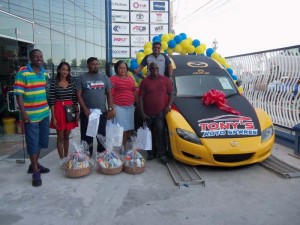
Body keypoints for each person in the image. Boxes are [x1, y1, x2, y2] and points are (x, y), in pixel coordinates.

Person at [13, 49, 50, 187]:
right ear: (30, 58)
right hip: (31, 116)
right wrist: (23, 112)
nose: (39, 59)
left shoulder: (44, 72)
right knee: (33, 142)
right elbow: (19, 95)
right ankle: (35, 172)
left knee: (42, 141)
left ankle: (34, 164)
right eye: (36, 56)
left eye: (41, 56)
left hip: (44, 114)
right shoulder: (23, 72)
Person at [76, 57, 115, 156]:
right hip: (87, 113)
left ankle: (101, 156)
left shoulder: (104, 77)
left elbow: (109, 93)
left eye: (97, 64)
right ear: (88, 65)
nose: (96, 66)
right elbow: (78, 95)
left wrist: (110, 109)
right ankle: (86, 157)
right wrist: (84, 109)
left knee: (101, 135)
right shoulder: (82, 77)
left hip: (102, 112)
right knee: (86, 135)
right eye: (93, 64)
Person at [138, 62, 174, 163]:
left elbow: (171, 93)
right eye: (152, 68)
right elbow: (140, 97)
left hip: (160, 112)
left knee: (160, 133)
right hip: (147, 113)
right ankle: (151, 153)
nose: (154, 70)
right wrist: (142, 113)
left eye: (156, 68)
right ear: (149, 70)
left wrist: (169, 106)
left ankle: (162, 154)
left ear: (159, 69)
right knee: (149, 134)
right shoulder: (145, 82)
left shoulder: (165, 80)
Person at [49, 62, 79, 160]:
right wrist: (53, 117)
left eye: (67, 70)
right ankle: (62, 159)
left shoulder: (72, 82)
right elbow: (52, 100)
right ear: (59, 70)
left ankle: (66, 157)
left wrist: (77, 112)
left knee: (67, 136)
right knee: (60, 136)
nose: (65, 71)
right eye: (63, 69)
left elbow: (74, 98)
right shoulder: (54, 83)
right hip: (59, 110)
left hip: (70, 110)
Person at [110, 60, 138, 150]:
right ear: (116, 69)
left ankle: (123, 146)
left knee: (127, 128)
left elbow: (134, 90)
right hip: (118, 107)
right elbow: (110, 94)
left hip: (130, 107)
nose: (123, 70)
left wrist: (136, 103)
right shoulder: (113, 79)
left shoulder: (130, 78)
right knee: (119, 129)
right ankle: (117, 146)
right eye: (120, 68)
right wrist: (111, 108)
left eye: (124, 68)